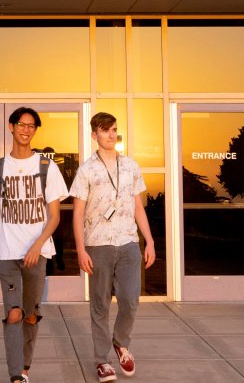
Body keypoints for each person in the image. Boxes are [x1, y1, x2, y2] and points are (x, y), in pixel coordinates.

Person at [0, 107, 69, 383]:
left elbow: (55, 216)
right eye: (21, 124)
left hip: (37, 254)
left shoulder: (46, 167)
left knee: (30, 314)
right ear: (11, 126)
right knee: (14, 313)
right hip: (7, 253)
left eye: (31, 126)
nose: (26, 130)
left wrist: (37, 245)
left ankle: (26, 366)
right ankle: (16, 374)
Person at [71, 112, 155, 382]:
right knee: (100, 306)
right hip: (98, 245)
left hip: (128, 242)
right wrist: (81, 249)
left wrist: (150, 240)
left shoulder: (131, 166)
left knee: (130, 301)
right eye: (105, 130)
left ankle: (120, 342)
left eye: (114, 130)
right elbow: (77, 213)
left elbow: (138, 207)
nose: (110, 134)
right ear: (94, 135)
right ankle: (102, 360)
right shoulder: (86, 170)